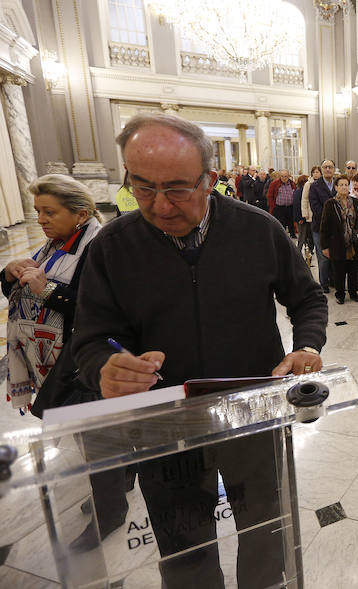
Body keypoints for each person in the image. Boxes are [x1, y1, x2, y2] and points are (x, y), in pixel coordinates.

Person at [70, 112, 327, 589]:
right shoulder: (113, 248)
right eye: (143, 187)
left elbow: (307, 298)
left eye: (177, 189)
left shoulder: (258, 230)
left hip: (252, 413)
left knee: (266, 532)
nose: (160, 206)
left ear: (211, 180)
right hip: (165, 427)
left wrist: (306, 345)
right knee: (184, 550)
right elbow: (89, 337)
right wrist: (104, 367)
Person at [4, 174, 103, 414]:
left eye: (49, 212)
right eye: (38, 211)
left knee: (86, 426)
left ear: (81, 215)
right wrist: (8, 275)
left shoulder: (98, 248)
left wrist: (47, 289)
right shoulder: (54, 245)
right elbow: (20, 297)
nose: (40, 220)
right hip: (47, 356)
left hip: (77, 360)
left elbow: (97, 311)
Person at [320, 174, 358, 304]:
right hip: (337, 243)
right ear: (336, 187)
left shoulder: (356, 203)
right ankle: (340, 294)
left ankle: (353, 292)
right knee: (339, 270)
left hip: (353, 242)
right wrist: (324, 246)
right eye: (341, 185)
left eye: (346, 185)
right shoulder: (330, 204)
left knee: (353, 269)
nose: (344, 187)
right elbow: (324, 226)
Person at [308, 159, 337, 292]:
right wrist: (331, 218)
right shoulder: (315, 186)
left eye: (330, 167)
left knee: (335, 255)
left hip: (336, 228)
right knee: (323, 257)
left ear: (334, 169)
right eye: (325, 167)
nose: (327, 169)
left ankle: (334, 281)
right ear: (321, 169)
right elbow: (315, 207)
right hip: (320, 227)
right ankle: (324, 283)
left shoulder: (338, 184)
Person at [267, 169, 297, 237]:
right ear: (280, 176)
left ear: (289, 176)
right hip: (279, 208)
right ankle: (282, 236)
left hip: (290, 206)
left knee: (291, 222)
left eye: (285, 176)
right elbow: (269, 196)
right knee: (281, 224)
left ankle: (292, 234)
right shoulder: (274, 184)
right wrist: (273, 206)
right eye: (282, 176)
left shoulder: (292, 183)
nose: (284, 178)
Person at [293, 173, 314, 265]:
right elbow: (297, 206)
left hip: (306, 218)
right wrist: (300, 218)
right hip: (302, 219)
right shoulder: (299, 192)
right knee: (301, 238)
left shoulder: (302, 190)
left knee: (307, 238)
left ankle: (307, 255)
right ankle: (298, 255)